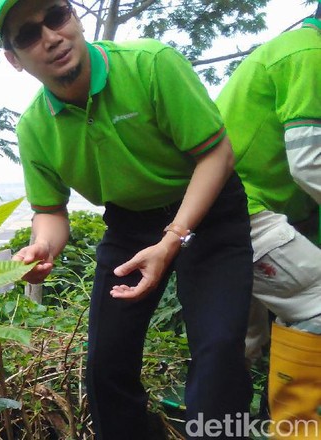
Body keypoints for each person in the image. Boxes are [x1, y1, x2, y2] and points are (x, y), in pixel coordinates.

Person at [0, 0, 254, 438]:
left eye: (56, 17)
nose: (51, 36)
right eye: (29, 34)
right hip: (130, 224)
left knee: (219, 352)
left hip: (208, 209)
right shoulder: (35, 128)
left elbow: (216, 153)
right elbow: (50, 211)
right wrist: (43, 245)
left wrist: (173, 238)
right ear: (14, 59)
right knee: (106, 365)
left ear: (74, 17)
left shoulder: (151, 64)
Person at [216, 1, 321, 430]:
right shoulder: (307, 53)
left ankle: (231, 426)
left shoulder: (295, 48)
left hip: (224, 213)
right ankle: (296, 430)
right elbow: (310, 161)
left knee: (242, 343)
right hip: (247, 211)